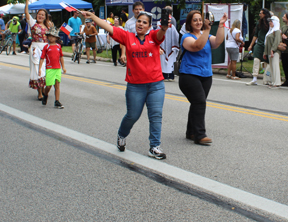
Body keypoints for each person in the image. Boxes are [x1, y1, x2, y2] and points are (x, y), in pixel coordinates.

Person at [81, 9, 169, 160]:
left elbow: (160, 35)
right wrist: (93, 17)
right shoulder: (127, 37)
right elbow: (110, 28)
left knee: (155, 116)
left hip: (156, 84)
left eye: (144, 22)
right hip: (135, 85)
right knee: (132, 115)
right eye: (139, 21)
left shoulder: (154, 36)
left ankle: (154, 146)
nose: (141, 24)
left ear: (149, 26)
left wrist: (163, 28)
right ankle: (122, 135)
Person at [178, 10, 228, 145]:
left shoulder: (206, 35)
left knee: (197, 103)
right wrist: (206, 30)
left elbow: (217, 42)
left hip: (206, 75)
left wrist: (221, 26)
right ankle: (199, 135)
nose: (198, 22)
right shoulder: (186, 37)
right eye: (195, 20)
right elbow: (197, 46)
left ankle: (191, 132)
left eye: (200, 19)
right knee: (199, 102)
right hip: (189, 75)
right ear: (189, 23)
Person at [23, 0, 50, 99]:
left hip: (45, 48)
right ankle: (39, 93)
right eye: (39, 14)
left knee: (44, 69)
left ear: (45, 17)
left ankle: (43, 90)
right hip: (35, 48)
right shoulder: (33, 23)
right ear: (37, 15)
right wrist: (27, 0)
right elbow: (26, 13)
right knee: (37, 68)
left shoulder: (47, 26)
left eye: (42, 15)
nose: (40, 16)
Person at [39, 27, 66, 108]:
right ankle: (45, 94)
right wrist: (40, 68)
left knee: (57, 85)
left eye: (53, 36)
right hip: (50, 68)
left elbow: (61, 57)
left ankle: (57, 101)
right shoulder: (46, 47)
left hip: (57, 68)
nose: (51, 38)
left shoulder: (58, 46)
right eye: (50, 36)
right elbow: (42, 58)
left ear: (56, 38)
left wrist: (63, 67)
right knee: (48, 86)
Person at [246, 8, 271, 86]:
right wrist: (251, 45)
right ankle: (254, 78)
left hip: (267, 45)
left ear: (265, 14)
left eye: (261, 13)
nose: (259, 14)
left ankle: (267, 78)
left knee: (267, 63)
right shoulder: (258, 23)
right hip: (259, 44)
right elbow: (255, 35)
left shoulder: (270, 22)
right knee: (256, 60)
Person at [263, 16, 282, 87]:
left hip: (275, 52)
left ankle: (277, 82)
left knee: (275, 66)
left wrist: (272, 50)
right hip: (270, 52)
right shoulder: (271, 31)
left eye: (271, 21)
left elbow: (276, 41)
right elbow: (267, 43)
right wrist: (265, 52)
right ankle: (273, 81)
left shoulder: (277, 31)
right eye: (269, 21)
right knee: (272, 67)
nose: (270, 23)